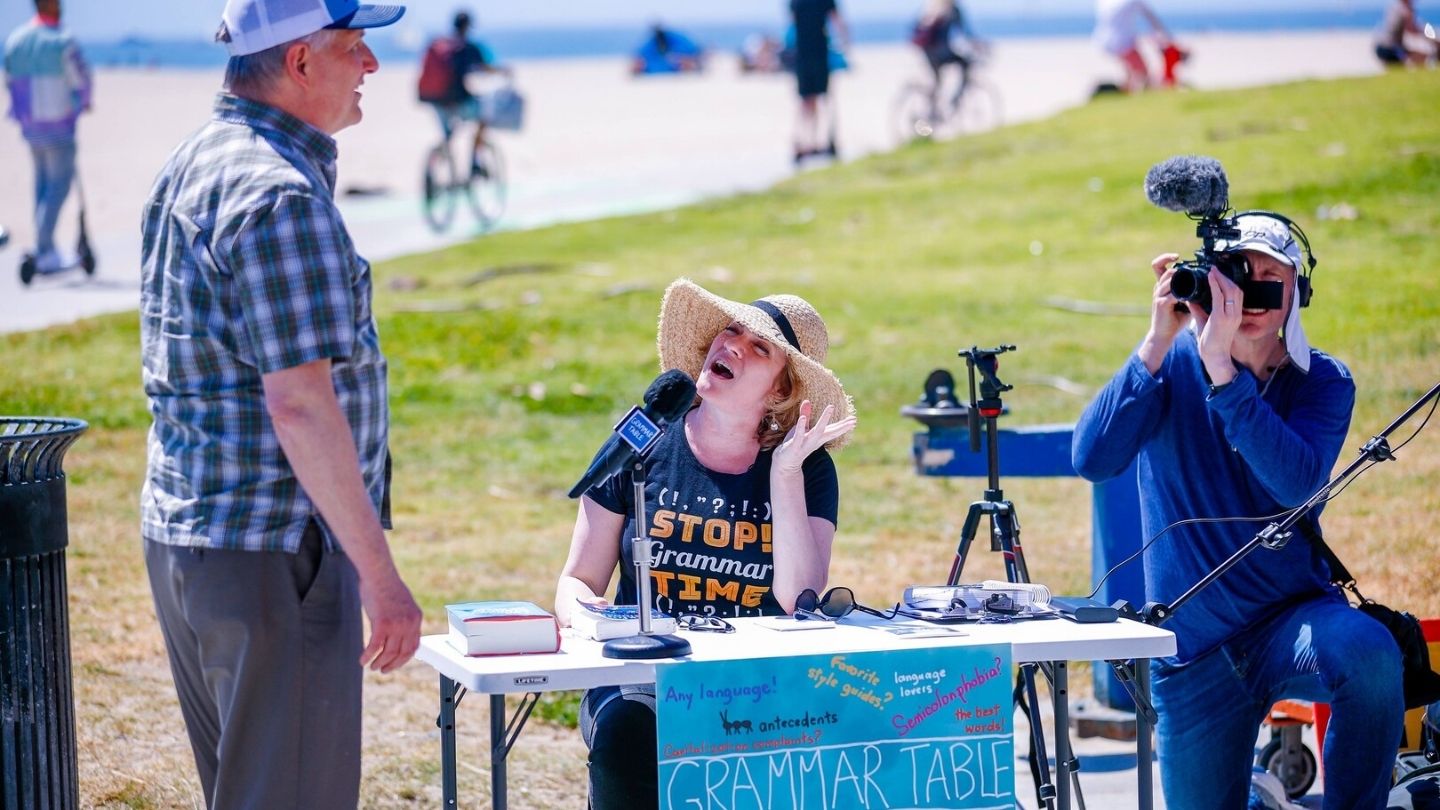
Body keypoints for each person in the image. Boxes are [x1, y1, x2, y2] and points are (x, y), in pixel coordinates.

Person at [139, 1, 422, 807]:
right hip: (272, 556)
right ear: (300, 61)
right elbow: (300, 404)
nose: (371, 66)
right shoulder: (281, 196)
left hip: (193, 540)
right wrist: (380, 577)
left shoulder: (195, 159)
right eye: (356, 47)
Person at [1072, 214, 1404, 808]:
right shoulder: (1170, 367)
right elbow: (1093, 458)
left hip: (1292, 620)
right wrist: (1156, 340)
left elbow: (1295, 484)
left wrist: (1224, 372)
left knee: (1372, 653)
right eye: (1235, 278)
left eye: (1267, 281)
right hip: (1194, 649)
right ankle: (1260, 798)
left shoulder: (1322, 381)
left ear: (1297, 294)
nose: (1247, 299)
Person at [555, 279, 857, 809]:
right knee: (626, 738)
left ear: (781, 391)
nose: (733, 345)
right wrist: (590, 620)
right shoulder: (642, 437)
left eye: (759, 347)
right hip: (643, 680)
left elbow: (799, 600)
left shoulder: (807, 468)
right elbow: (578, 580)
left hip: (756, 685)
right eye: (731, 330)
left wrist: (783, 473)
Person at [3, 0, 91, 274]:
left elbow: (9, 80)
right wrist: (81, 103)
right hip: (59, 125)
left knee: (42, 184)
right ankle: (44, 249)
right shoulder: (63, 41)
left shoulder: (16, 41)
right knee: (59, 185)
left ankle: (44, 245)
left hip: (30, 126)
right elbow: (81, 80)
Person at [419, 11, 507, 177]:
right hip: (457, 100)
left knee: (448, 136)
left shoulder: (439, 45)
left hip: (434, 98)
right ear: (468, 27)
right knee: (483, 118)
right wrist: (503, 71)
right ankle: (474, 163)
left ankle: (440, 168)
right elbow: (486, 68)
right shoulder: (468, 47)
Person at [789, 0, 849, 164]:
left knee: (808, 101)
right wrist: (845, 44)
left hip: (804, 55)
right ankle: (811, 140)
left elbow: (792, 24)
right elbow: (838, 22)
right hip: (817, 54)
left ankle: (807, 141)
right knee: (820, 100)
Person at [911, 0, 982, 122]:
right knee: (964, 64)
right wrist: (979, 46)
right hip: (939, 52)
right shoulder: (951, 9)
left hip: (928, 51)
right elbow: (966, 33)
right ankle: (948, 104)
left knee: (938, 81)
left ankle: (934, 111)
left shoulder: (932, 6)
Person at [1093, 0, 1174, 93]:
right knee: (1142, 71)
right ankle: (1135, 94)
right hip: (1122, 41)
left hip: (1104, 39)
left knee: (1132, 72)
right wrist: (1166, 36)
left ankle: (1127, 92)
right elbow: (1150, 17)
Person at [1374, 0, 1437, 67]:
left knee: (1399, 67)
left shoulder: (1395, 6)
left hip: (1380, 46)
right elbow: (1412, 29)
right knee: (1425, 58)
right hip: (1390, 48)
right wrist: (1433, 40)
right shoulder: (1404, 10)